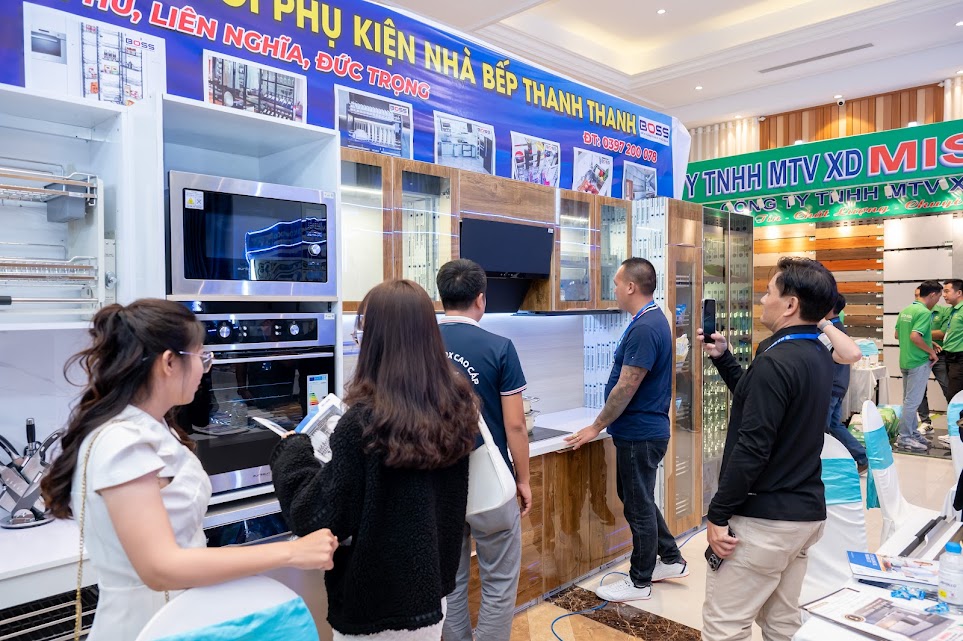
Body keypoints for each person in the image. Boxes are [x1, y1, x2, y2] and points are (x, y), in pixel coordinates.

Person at [40, 299, 337, 641]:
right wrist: (291, 552)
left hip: (179, 618)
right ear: (169, 362)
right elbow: (161, 568)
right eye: (202, 357)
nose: (205, 369)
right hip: (143, 626)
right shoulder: (122, 442)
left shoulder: (154, 427)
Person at [270, 280, 479, 639]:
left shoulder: (364, 422)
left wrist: (294, 451)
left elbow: (315, 516)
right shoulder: (456, 405)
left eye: (362, 332)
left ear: (377, 341)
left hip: (377, 608)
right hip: (431, 595)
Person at [697, 257, 836, 641]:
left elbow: (752, 447)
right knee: (781, 624)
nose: (761, 299)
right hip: (803, 516)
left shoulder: (775, 362)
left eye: (769, 292)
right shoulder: (816, 353)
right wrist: (725, 359)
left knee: (725, 627)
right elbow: (760, 402)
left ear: (790, 304)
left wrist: (718, 513)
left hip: (764, 523)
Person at [566, 257, 687, 602]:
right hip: (642, 431)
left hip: (640, 433)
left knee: (637, 506)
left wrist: (595, 426)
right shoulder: (650, 320)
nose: (614, 289)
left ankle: (639, 581)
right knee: (640, 500)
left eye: (617, 283)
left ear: (631, 287)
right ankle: (671, 559)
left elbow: (626, 386)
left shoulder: (646, 327)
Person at [434, 259, 531, 641]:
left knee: (450, 583)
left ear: (441, 297)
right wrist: (523, 480)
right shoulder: (500, 347)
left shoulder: (420, 346)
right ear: (480, 299)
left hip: (437, 483)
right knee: (499, 583)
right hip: (490, 481)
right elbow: (516, 425)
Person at [819, 294, 867, 471]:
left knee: (822, 428)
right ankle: (861, 457)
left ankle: (824, 467)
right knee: (834, 425)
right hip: (838, 384)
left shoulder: (832, 330)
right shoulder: (836, 327)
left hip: (832, 385)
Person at [894, 281, 942, 452]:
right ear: (932, 295)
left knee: (909, 401)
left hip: (905, 361)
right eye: (938, 297)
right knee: (912, 402)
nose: (938, 301)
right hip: (918, 362)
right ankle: (904, 438)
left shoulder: (906, 310)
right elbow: (915, 336)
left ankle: (912, 432)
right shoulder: (924, 312)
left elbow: (898, 334)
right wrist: (931, 351)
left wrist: (929, 341)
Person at [917, 285, 951, 432]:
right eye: (915, 295)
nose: (917, 298)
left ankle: (956, 420)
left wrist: (920, 333)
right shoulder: (915, 311)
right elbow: (905, 333)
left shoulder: (943, 312)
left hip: (939, 355)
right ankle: (925, 422)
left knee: (948, 387)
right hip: (919, 355)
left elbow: (943, 333)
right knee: (919, 390)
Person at [941, 279, 963, 406]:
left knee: (953, 395)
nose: (944, 295)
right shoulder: (952, 310)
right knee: (954, 394)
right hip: (949, 356)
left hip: (959, 357)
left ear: (959, 292)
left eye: (947, 291)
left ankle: (956, 418)